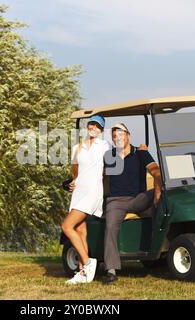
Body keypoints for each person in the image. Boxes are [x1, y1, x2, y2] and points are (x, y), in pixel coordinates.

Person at [102, 123, 162, 284]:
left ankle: (158, 248)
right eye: (114, 136)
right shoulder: (109, 156)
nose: (118, 138)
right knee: (110, 227)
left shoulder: (140, 152)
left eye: (121, 134)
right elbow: (97, 176)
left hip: (138, 198)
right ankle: (111, 270)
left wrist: (157, 192)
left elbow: (156, 171)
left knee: (163, 197)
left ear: (128, 135)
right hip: (116, 201)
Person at [61, 115, 109, 284]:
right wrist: (72, 183)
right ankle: (83, 274)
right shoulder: (77, 147)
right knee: (81, 232)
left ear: (102, 130)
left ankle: (88, 263)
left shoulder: (103, 146)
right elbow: (76, 170)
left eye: (97, 126)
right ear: (87, 126)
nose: (93, 128)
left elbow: (106, 170)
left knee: (66, 226)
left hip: (92, 192)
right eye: (91, 124)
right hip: (78, 193)